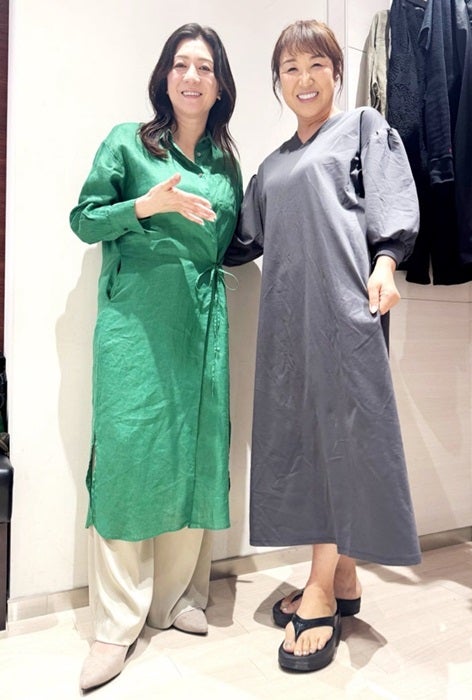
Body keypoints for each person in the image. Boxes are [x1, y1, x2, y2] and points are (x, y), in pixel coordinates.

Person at [225, 19, 421, 673]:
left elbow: (392, 204)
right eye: (290, 68)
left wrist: (386, 263)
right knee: (304, 442)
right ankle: (343, 575)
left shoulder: (363, 127)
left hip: (347, 311)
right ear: (277, 82)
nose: (304, 79)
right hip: (287, 324)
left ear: (336, 72)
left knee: (341, 443)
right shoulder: (271, 167)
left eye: (316, 65)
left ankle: (318, 588)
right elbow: (241, 240)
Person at [70, 23, 242, 691]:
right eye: (180, 64)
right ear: (164, 77)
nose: (191, 77)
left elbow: (233, 240)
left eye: (204, 67)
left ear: (219, 85)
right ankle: (114, 626)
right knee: (128, 454)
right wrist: (145, 205)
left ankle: (177, 599)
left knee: (191, 450)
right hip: (134, 319)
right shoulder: (127, 142)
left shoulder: (226, 164)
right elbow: (84, 219)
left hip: (200, 319)